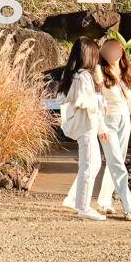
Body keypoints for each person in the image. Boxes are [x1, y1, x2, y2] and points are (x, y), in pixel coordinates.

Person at [56, 37, 108, 221]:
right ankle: (84, 207)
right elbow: (88, 102)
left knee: (94, 164)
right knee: (89, 165)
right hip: (85, 125)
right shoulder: (82, 75)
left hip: (84, 124)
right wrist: (102, 100)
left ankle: (74, 199)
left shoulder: (71, 74)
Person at [96, 37, 131, 221]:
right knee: (117, 164)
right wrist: (100, 125)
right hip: (107, 121)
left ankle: (104, 202)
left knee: (117, 162)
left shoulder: (128, 71)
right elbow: (96, 96)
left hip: (125, 120)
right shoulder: (99, 71)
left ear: (121, 51)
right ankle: (129, 207)